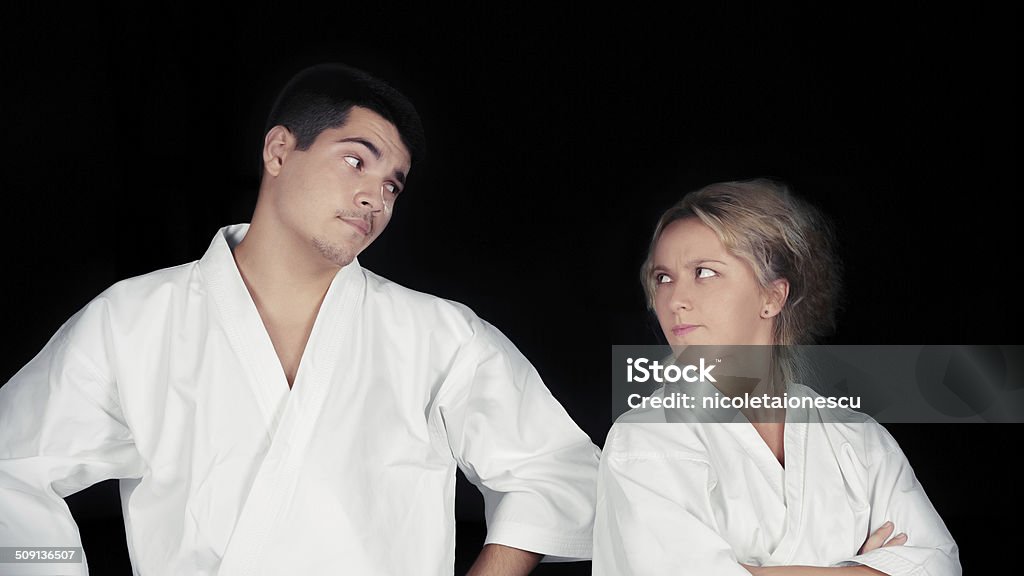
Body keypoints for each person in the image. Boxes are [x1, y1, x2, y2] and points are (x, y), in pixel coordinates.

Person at [0, 62, 600, 575]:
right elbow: (11, 467)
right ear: (280, 150)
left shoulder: (441, 337)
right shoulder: (132, 321)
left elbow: (559, 471)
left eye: (393, 185)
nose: (375, 197)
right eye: (356, 162)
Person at [592, 179, 961, 575]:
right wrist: (863, 569)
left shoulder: (859, 438)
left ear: (772, 297)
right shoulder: (645, 438)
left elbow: (937, 563)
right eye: (663, 278)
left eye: (704, 272)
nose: (675, 299)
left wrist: (751, 570)